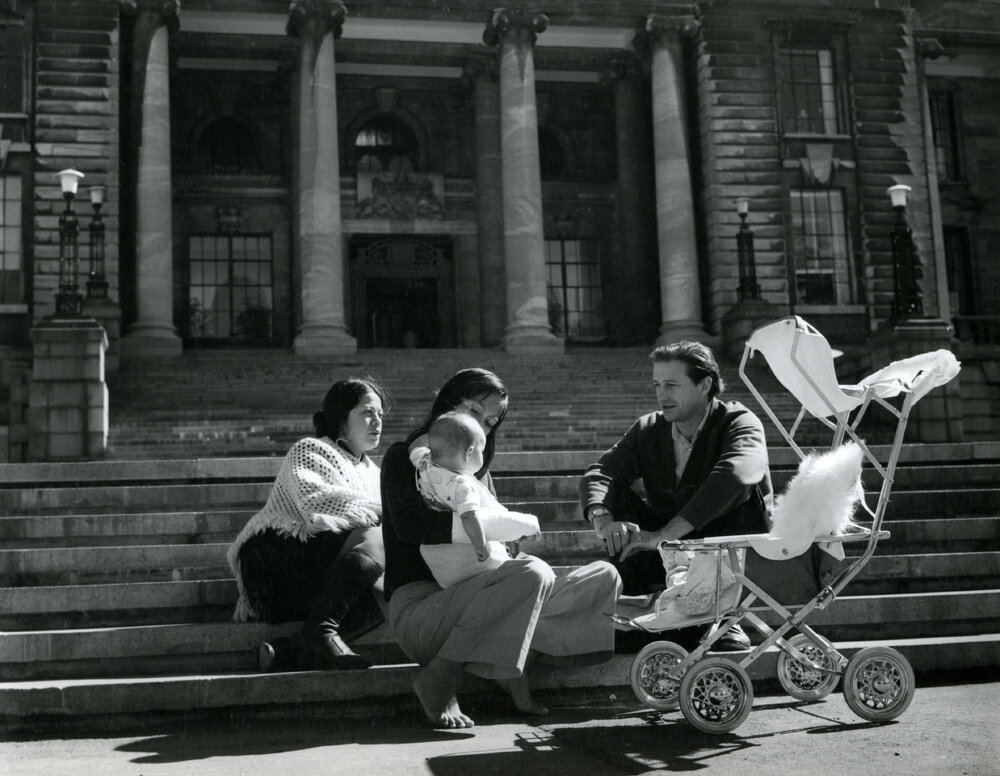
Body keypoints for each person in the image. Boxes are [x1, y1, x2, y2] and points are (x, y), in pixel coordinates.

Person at [381, 368, 622, 729]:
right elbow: (410, 526)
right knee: (532, 572)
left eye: (491, 420)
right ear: (447, 403)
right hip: (423, 611)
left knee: (604, 576)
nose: (482, 424)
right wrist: (492, 530)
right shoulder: (404, 458)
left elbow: (502, 555)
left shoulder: (477, 476)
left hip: (488, 602)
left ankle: (508, 664)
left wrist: (507, 538)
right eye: (474, 410)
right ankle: (441, 676)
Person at [579, 341, 772, 651]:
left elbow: (738, 474)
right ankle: (648, 612)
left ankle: (722, 620)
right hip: (670, 556)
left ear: (704, 384)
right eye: (657, 385)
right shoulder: (649, 428)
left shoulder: (739, 421)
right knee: (614, 497)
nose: (661, 395)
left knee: (742, 492)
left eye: (671, 385)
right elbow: (602, 472)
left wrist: (665, 535)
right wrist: (603, 518)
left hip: (727, 555)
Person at [227, 378, 390, 672]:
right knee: (378, 533)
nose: (377, 420)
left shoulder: (373, 472)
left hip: (328, 577)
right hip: (276, 568)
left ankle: (293, 648)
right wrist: (389, 511)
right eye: (367, 412)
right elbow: (315, 502)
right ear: (341, 418)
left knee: (393, 584)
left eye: (380, 413)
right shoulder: (310, 449)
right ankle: (320, 633)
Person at [409, 411, 541, 588]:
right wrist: (481, 545)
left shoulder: (424, 462)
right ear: (469, 452)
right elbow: (470, 516)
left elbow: (414, 449)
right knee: (530, 569)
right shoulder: (462, 485)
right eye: (482, 450)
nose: (483, 455)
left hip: (439, 563)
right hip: (471, 559)